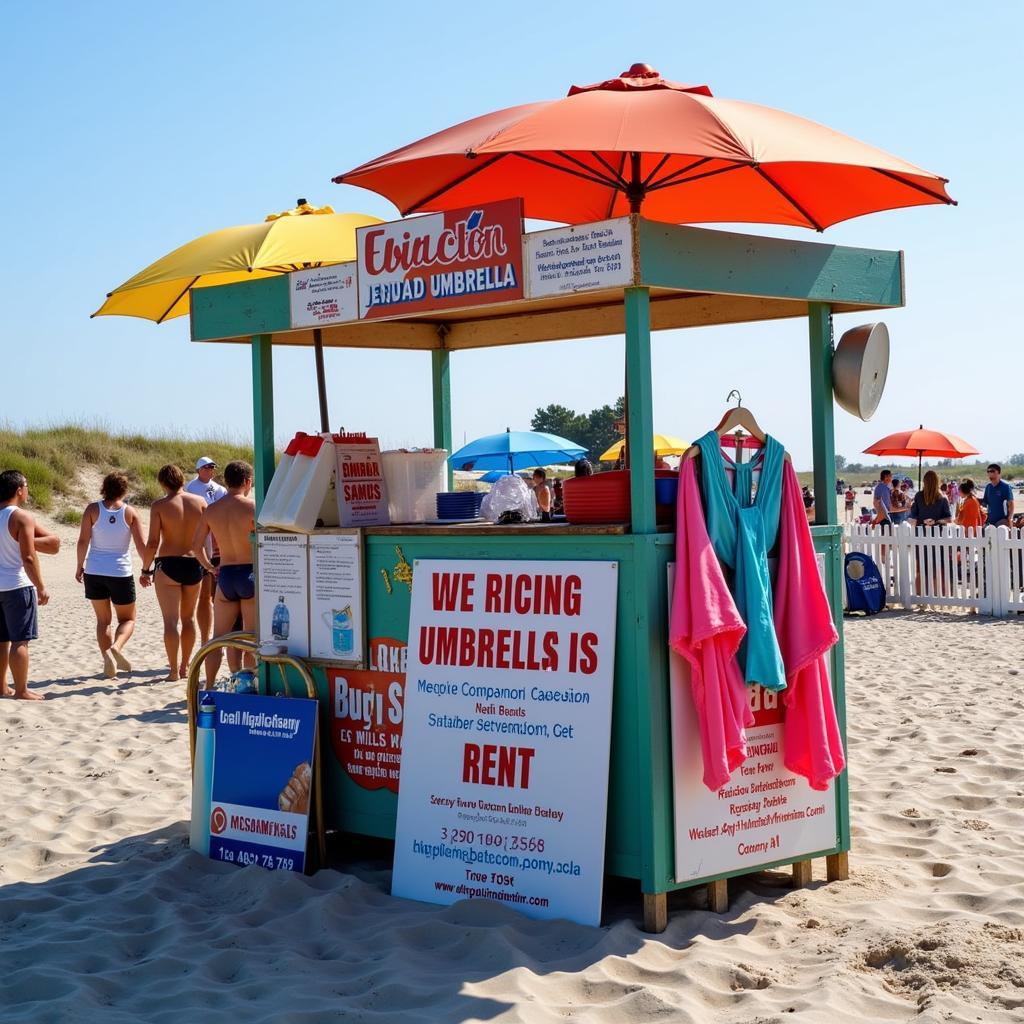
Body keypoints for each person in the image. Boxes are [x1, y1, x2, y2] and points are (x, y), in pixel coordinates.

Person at [75, 471, 146, 678]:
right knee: (128, 619)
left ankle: (107, 658)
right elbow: (141, 545)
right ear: (124, 490)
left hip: (95, 570)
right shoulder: (130, 512)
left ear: (104, 488)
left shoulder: (92, 509)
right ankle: (116, 647)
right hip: (120, 572)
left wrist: (80, 566)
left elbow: (82, 541)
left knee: (103, 621)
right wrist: (147, 568)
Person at [140, 465, 207, 681]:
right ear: (181, 480)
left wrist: (145, 569)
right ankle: (185, 666)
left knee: (170, 621)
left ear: (162, 483)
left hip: (168, 563)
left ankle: (172, 671)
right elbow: (207, 537)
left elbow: (152, 542)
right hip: (193, 562)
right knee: (188, 619)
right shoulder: (200, 502)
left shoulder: (159, 505)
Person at [192, 461, 256, 686]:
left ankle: (209, 685)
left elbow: (196, 545)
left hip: (226, 575)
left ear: (226, 481)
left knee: (217, 639)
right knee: (251, 638)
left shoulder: (212, 510)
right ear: (247, 482)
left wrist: (210, 566)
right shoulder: (252, 507)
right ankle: (248, 688)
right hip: (250, 573)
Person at [0, 470, 60, 700]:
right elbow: (28, 557)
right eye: (26, 486)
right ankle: (22, 690)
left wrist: (24, 540)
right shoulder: (21, 517)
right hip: (16, 585)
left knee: (2, 640)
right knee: (19, 640)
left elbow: (51, 543)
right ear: (18, 490)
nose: (27, 490)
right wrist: (41, 586)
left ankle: (3, 687)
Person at [185, 456, 227, 648]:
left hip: (216, 544)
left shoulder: (219, 489)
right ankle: (203, 638)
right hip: (199, 543)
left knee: (212, 594)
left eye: (212, 467)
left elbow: (224, 512)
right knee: (198, 596)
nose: (210, 470)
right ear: (199, 469)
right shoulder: (190, 488)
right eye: (207, 467)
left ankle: (208, 638)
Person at [983, 463, 1014, 528]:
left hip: (1002, 520)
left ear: (998, 473)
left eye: (992, 471)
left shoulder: (1005, 486)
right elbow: (984, 503)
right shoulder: (988, 487)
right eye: (988, 471)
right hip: (990, 520)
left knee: (1001, 536)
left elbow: (1011, 504)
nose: (990, 473)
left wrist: (1010, 518)